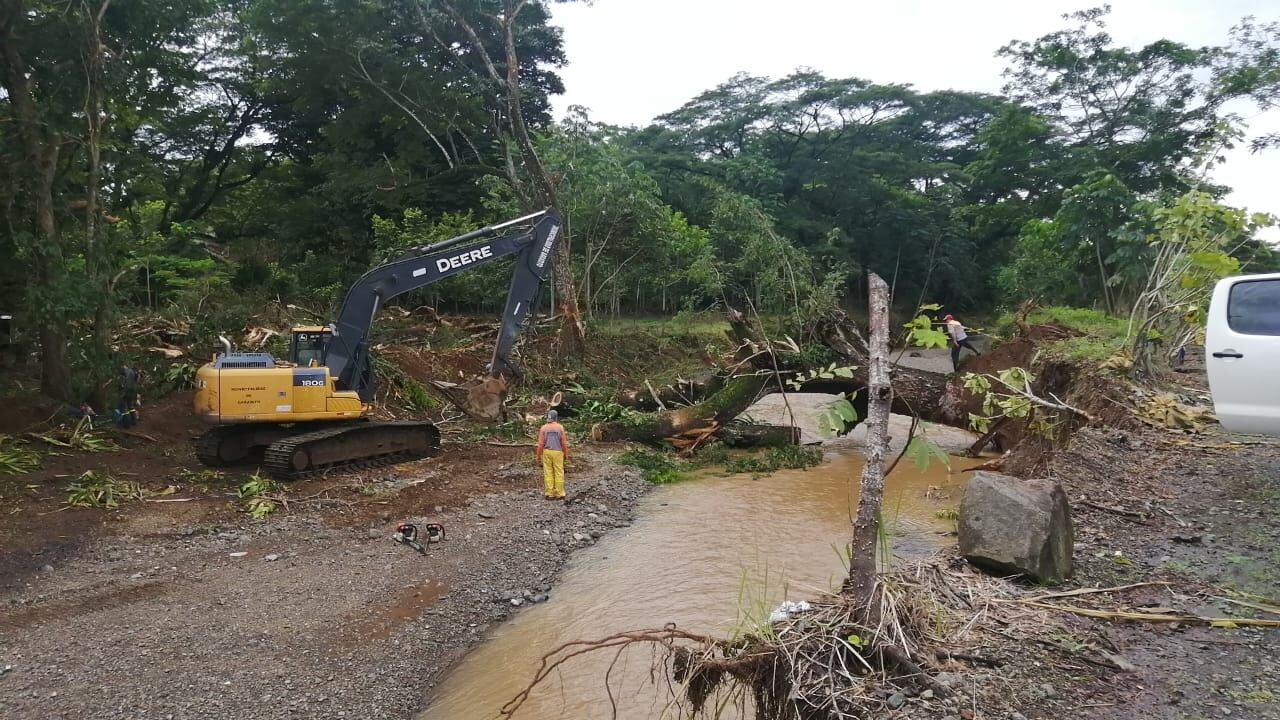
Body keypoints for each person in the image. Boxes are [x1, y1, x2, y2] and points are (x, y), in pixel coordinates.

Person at [536, 410, 569, 500]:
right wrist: (566, 454)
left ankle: (549, 494)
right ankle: (559, 493)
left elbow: (541, 444)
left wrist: (538, 456)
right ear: (556, 417)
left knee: (548, 472)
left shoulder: (543, 428)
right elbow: (563, 443)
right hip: (558, 452)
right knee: (559, 472)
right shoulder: (560, 428)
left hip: (547, 452)